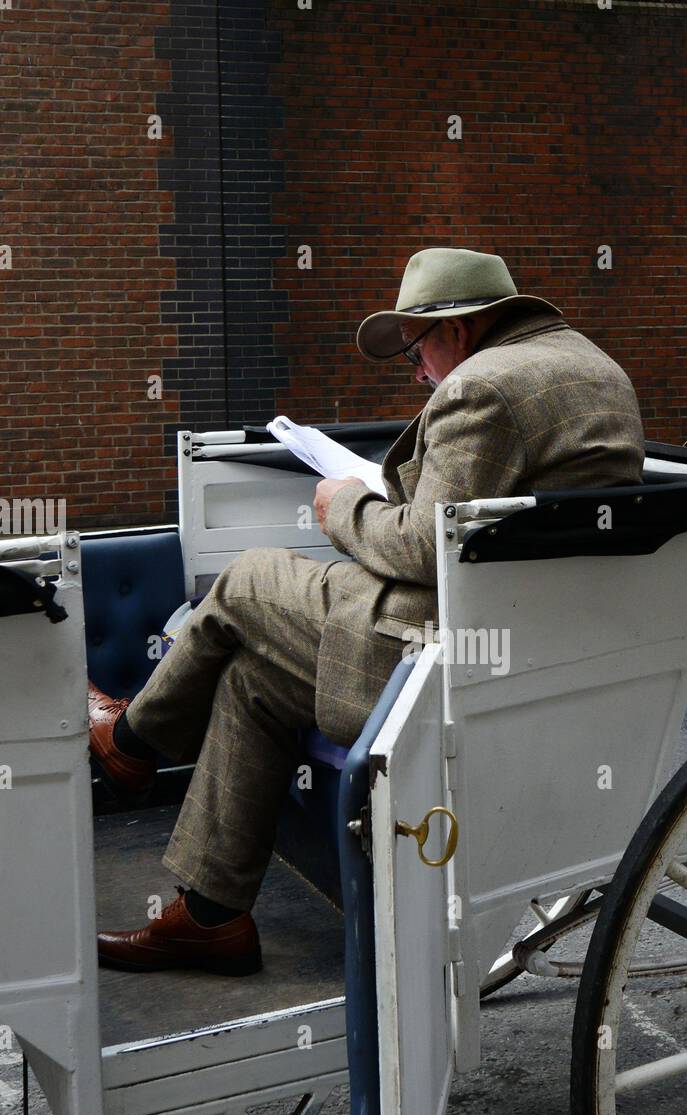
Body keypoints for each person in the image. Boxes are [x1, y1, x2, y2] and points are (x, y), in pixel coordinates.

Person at [88, 246, 645, 974]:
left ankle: (131, 740)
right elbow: (467, 520)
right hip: (540, 633)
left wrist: (343, 505)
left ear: (460, 329)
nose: (416, 371)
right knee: (252, 678)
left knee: (249, 578)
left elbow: (420, 547)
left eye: (416, 349)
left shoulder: (482, 388)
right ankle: (210, 917)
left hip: (441, 652)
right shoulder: (591, 366)